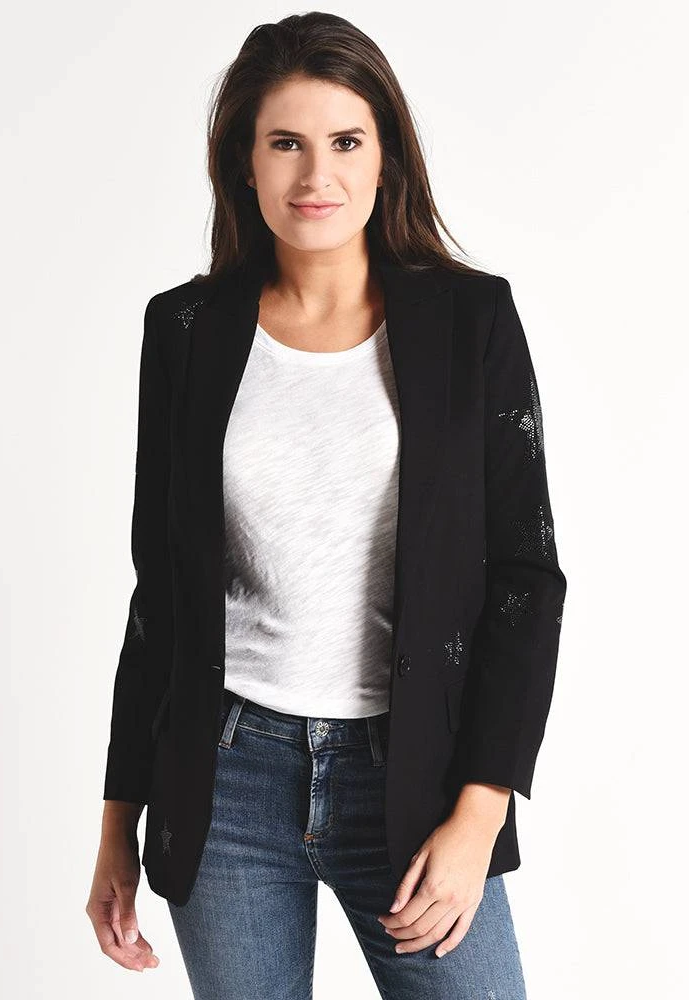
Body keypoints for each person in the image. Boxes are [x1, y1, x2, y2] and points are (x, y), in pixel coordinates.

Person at [86, 12, 567, 999]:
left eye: (346, 141)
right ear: (246, 163)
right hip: (226, 780)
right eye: (286, 143)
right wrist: (117, 825)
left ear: (386, 158)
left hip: (416, 779)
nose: (316, 175)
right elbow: (160, 595)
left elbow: (526, 579)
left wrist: (480, 811)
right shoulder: (184, 330)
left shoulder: (470, 321)